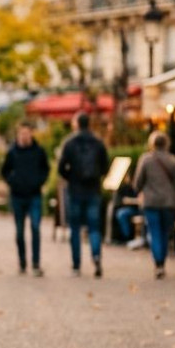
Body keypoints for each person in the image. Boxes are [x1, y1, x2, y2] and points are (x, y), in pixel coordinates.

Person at [58, 112, 110, 278]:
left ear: (76, 124)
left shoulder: (70, 143)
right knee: (94, 227)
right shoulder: (98, 143)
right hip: (93, 189)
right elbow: (105, 167)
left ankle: (76, 264)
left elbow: (61, 168)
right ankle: (96, 257)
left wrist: (71, 178)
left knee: (75, 228)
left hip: (75, 190)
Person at [132, 131, 175, 279]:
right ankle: (162, 262)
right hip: (168, 202)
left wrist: (139, 190)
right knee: (165, 233)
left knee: (154, 233)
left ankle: (158, 263)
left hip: (151, 202)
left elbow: (138, 182)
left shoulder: (146, 160)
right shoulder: (172, 160)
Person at [1, 121, 49, 276]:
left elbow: (45, 169)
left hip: (34, 194)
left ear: (31, 133)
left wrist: (39, 181)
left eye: (27, 133)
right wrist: (12, 182)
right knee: (20, 231)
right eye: (22, 133)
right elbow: (5, 171)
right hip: (18, 196)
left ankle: (36, 263)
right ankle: (22, 261)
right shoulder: (12, 152)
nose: (24, 136)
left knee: (35, 227)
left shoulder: (39, 151)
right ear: (18, 134)